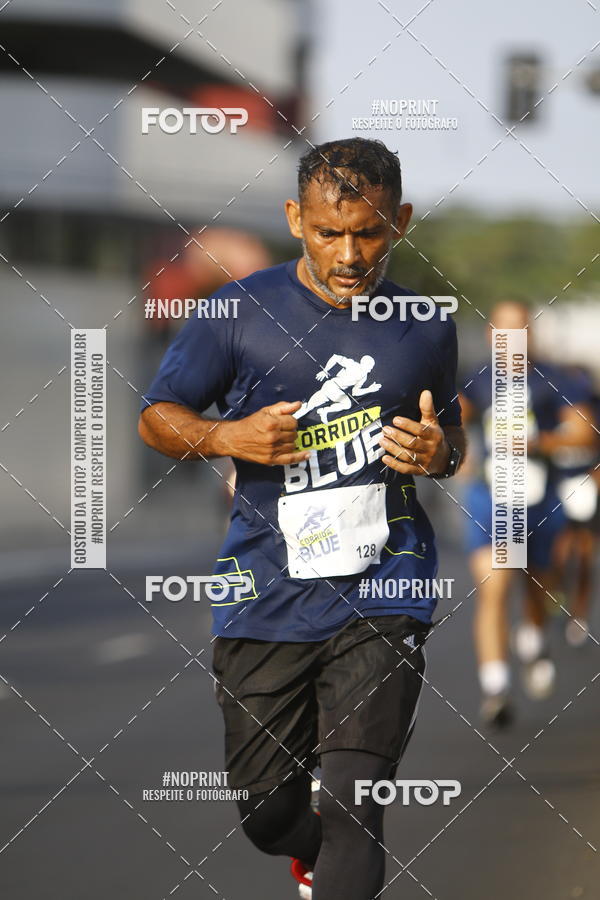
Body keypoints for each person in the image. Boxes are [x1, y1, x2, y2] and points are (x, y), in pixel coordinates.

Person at [138, 137, 465, 900]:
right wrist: (227, 436)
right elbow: (157, 418)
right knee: (266, 812)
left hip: (387, 586)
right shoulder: (235, 311)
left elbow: (452, 438)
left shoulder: (425, 324)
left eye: (370, 231)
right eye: (328, 232)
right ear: (295, 219)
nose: (350, 254)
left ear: (401, 221)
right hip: (265, 591)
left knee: (356, 803)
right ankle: (309, 850)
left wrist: (438, 452)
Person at [460, 302, 596, 728]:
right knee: (494, 585)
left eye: (520, 329)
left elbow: (585, 432)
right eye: (503, 330)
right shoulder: (477, 380)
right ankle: (495, 687)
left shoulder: (555, 381)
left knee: (539, 586)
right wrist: (454, 447)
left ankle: (535, 639)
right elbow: (451, 418)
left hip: (540, 500)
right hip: (491, 497)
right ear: (490, 334)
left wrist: (538, 443)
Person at [551, 365, 600, 647]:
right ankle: (556, 595)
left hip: (586, 487)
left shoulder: (595, 409)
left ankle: (579, 614)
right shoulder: (550, 405)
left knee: (584, 555)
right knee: (556, 550)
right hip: (556, 488)